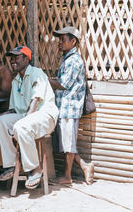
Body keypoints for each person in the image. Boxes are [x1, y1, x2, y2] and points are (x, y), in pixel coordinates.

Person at [0, 46, 58, 189]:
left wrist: (23, 120)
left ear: (26, 59)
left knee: (21, 126)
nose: (13, 61)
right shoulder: (16, 80)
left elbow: (35, 101)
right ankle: (11, 164)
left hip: (45, 115)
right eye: (12, 58)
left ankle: (35, 169)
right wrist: (0, 115)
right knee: (0, 122)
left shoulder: (37, 73)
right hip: (26, 117)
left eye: (17, 57)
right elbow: (13, 109)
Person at [49, 26, 94, 185]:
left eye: (63, 40)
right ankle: (85, 166)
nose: (59, 43)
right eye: (59, 40)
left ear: (73, 41)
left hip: (69, 108)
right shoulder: (68, 58)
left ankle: (67, 177)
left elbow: (63, 83)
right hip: (65, 108)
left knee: (68, 144)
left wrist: (45, 80)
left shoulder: (74, 60)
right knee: (67, 143)